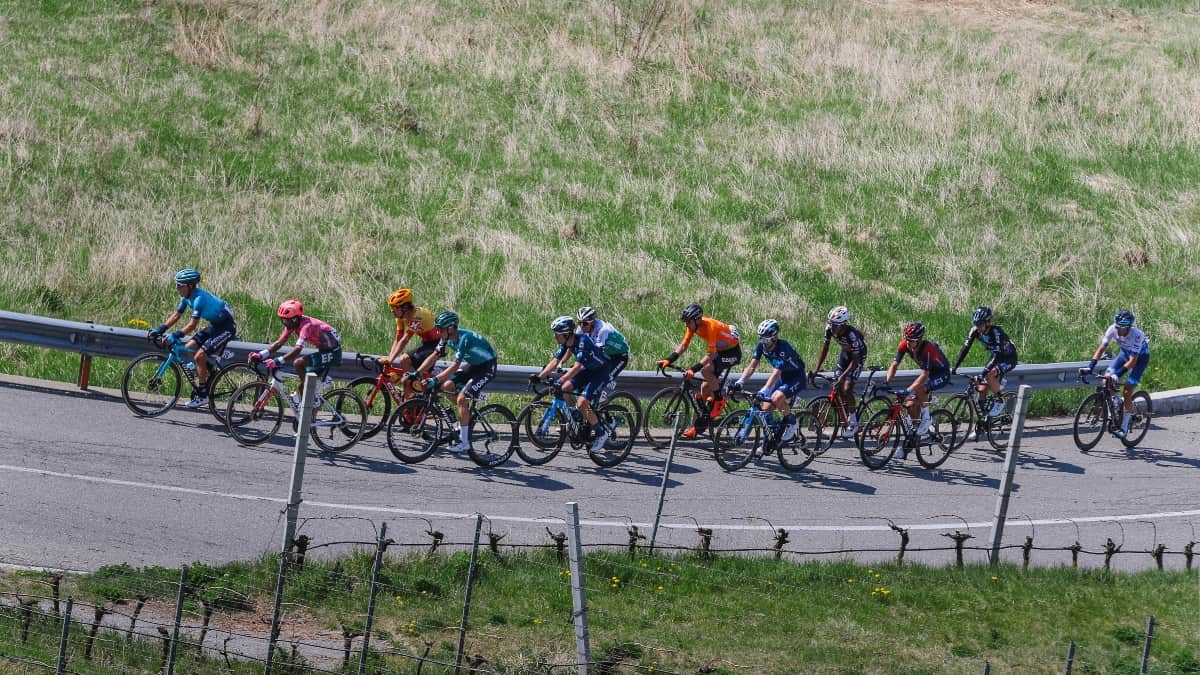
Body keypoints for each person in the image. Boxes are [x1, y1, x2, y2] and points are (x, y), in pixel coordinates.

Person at [411, 311, 498, 454]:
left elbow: (455, 366)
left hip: (487, 367)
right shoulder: (445, 337)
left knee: (461, 398)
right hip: (474, 365)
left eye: (440, 328)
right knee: (447, 386)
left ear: (451, 328)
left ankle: (464, 443)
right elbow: (434, 356)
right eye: (437, 328)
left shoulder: (464, 338)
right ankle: (466, 417)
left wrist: (434, 379)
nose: (437, 332)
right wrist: (418, 372)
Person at [149, 268, 238, 408]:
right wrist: (161, 328)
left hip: (227, 327)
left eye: (180, 285)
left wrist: (174, 335)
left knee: (199, 356)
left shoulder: (199, 299)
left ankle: (203, 395)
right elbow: (177, 315)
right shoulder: (186, 297)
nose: (177, 288)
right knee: (189, 347)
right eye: (176, 284)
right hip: (216, 325)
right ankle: (209, 371)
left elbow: (192, 325)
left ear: (190, 286)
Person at [658, 303, 742, 438]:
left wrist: (693, 369)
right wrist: (669, 360)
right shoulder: (693, 326)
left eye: (688, 322)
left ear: (697, 319)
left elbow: (711, 355)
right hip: (720, 352)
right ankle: (701, 425)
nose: (687, 325)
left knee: (706, 371)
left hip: (732, 353)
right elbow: (684, 345)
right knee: (704, 388)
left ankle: (719, 400)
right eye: (686, 322)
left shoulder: (711, 327)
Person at [532, 316, 614, 452]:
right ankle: (575, 416)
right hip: (588, 370)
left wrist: (560, 380)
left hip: (601, 372)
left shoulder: (583, 341)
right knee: (564, 390)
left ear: (566, 334)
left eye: (557, 334)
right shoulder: (566, 344)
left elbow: (576, 368)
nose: (555, 337)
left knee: (582, 403)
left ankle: (601, 433)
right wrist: (539, 377)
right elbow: (554, 361)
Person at [249, 299, 342, 406]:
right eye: (282, 320)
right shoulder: (293, 324)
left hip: (334, 353)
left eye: (286, 320)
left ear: (295, 319)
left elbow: (298, 349)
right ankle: (306, 414)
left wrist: (277, 361)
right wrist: (261, 354)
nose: (284, 323)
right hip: (324, 351)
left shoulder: (306, 326)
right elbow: (279, 343)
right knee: (302, 387)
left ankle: (314, 388)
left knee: (298, 363)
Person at [732, 319, 806, 444]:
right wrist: (740, 381)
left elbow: (776, 373)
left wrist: (764, 390)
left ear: (774, 337)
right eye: (761, 338)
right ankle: (769, 440)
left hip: (796, 377)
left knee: (776, 398)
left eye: (766, 339)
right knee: (765, 410)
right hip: (783, 377)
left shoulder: (783, 348)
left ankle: (792, 423)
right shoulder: (761, 345)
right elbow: (751, 366)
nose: (763, 342)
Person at [884, 321, 951, 458]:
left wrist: (907, 390)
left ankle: (926, 419)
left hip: (941, 374)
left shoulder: (927, 348)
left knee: (920, 388)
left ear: (919, 340)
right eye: (907, 339)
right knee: (909, 405)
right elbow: (894, 365)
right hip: (930, 373)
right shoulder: (905, 345)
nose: (908, 343)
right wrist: (886, 382)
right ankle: (914, 437)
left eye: (912, 341)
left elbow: (924, 375)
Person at [1085, 310, 1150, 438]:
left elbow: (1133, 361)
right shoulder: (1112, 329)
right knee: (1106, 380)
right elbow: (1101, 348)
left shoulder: (1137, 335)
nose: (1118, 330)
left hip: (1139, 359)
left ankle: (1124, 428)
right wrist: (1090, 366)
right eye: (1117, 326)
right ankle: (1115, 403)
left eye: (1121, 328)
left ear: (1129, 327)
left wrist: (1117, 374)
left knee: (1127, 390)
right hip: (1124, 355)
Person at [808, 306, 868, 438]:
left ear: (843, 324)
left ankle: (853, 422)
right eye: (830, 323)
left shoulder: (851, 335)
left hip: (857, 357)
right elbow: (825, 349)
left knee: (846, 388)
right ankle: (844, 421)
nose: (832, 327)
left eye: (835, 324)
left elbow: (855, 360)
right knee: (837, 386)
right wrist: (816, 368)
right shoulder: (829, 329)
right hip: (845, 354)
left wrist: (843, 376)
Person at [951, 305, 1019, 420]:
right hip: (995, 357)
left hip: (1008, 358)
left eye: (980, 324)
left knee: (989, 375)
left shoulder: (996, 332)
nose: (977, 327)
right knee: (981, 389)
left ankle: (1000, 400)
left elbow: (997, 355)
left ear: (988, 322)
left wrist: (983, 374)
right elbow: (965, 349)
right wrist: (955, 367)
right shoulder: (975, 331)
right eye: (975, 323)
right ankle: (983, 423)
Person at [380, 289, 441, 401]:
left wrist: (391, 359)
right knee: (405, 367)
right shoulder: (401, 317)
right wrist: (390, 358)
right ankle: (414, 399)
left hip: (436, 345)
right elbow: (398, 338)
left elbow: (404, 340)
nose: (392, 311)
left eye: (395, 308)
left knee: (405, 367)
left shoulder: (416, 316)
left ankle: (425, 392)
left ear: (405, 308)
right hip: (426, 343)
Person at [576, 306, 630, 401]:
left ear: (592, 322)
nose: (581, 326)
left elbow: (596, 351)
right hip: (605, 355)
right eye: (579, 323)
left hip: (619, 357)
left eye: (584, 323)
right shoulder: (581, 329)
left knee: (601, 385)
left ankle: (603, 403)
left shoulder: (603, 330)